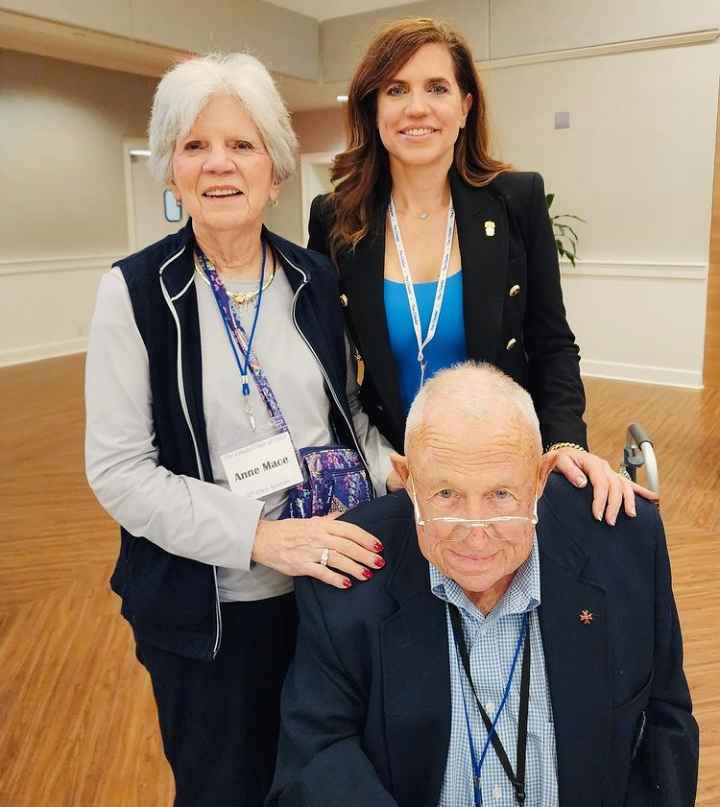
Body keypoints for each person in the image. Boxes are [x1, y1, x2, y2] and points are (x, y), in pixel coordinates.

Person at [85, 53, 395, 807]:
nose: (218, 164)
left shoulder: (314, 279)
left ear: (276, 171)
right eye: (194, 146)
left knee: (324, 781)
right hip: (209, 614)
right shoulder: (134, 293)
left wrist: (395, 468)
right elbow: (121, 471)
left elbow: (344, 417)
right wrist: (260, 537)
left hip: (326, 590)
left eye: (242, 144)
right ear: (170, 170)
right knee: (225, 788)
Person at [269, 363, 699, 807]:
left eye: (500, 495)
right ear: (408, 479)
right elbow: (317, 754)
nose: (475, 533)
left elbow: (665, 724)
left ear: (539, 478)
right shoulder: (349, 564)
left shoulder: (625, 543)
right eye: (446, 495)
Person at [308, 18, 657, 525]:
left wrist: (563, 444)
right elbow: (325, 367)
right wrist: (376, 464)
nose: (417, 107)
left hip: (500, 474)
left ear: (465, 106)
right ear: (374, 108)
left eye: (437, 88)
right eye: (396, 89)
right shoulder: (336, 219)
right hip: (394, 474)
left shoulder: (516, 201)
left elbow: (551, 342)